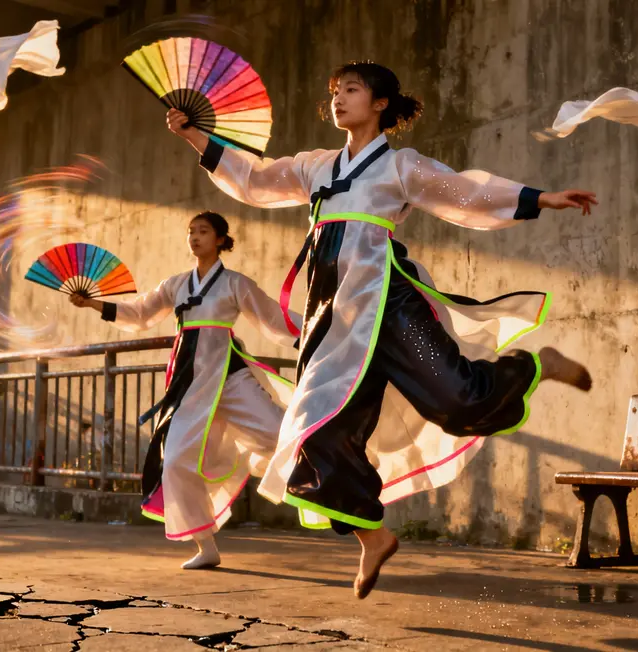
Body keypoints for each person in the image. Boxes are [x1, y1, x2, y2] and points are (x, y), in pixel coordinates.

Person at [166, 61, 597, 598]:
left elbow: (464, 192)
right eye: (334, 91)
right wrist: (195, 136)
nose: (338, 99)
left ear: (380, 104)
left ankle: (535, 366)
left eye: (351, 89)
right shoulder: (315, 166)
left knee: (459, 400)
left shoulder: (400, 167)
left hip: (391, 306)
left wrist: (539, 199)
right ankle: (373, 537)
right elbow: (254, 179)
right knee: (314, 436)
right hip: (333, 318)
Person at [71, 211, 300, 570]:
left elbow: (273, 317)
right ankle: (206, 545)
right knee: (175, 461)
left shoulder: (236, 283)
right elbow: (140, 312)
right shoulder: (176, 284)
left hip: (229, 376)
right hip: (188, 384)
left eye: (203, 231)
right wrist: (94, 303)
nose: (194, 237)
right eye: (191, 231)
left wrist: (320, 330)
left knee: (280, 432)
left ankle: (315, 476)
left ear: (221, 240)